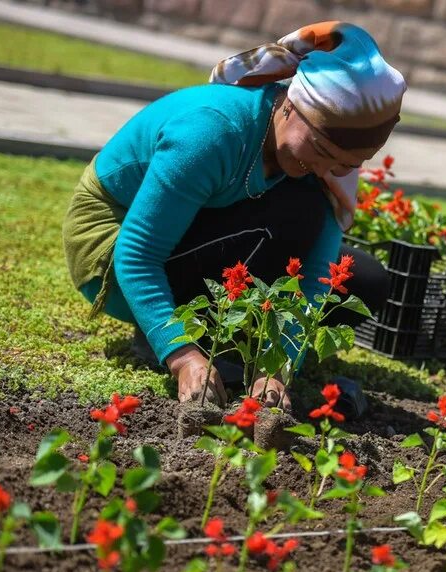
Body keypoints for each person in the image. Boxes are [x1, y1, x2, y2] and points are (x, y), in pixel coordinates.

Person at [62, 21, 405, 409]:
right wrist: (182, 356)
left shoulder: (320, 166)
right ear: (292, 104)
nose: (329, 171)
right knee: (294, 212)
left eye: (348, 165)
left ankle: (228, 344)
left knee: (363, 281)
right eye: (322, 151)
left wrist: (278, 367)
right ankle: (166, 333)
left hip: (203, 241)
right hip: (112, 252)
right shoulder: (213, 131)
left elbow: (315, 280)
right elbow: (137, 253)